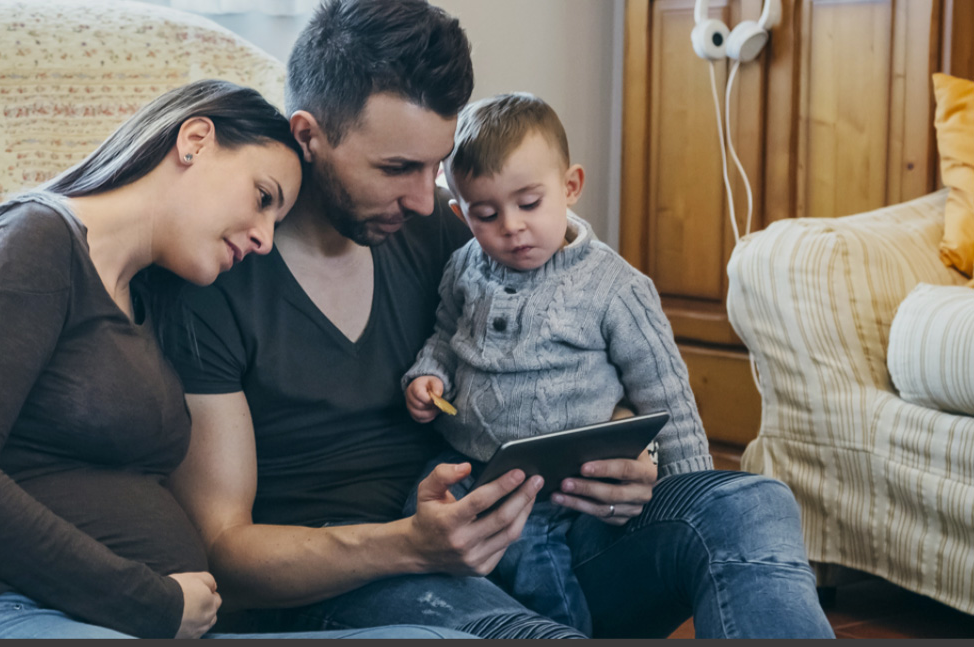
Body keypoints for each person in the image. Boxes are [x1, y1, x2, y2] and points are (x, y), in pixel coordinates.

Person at [165, 0, 836, 639]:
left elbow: (571, 321)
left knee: (749, 502)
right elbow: (225, 552)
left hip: (521, 530)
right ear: (309, 136)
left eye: (433, 168)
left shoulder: (442, 231)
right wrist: (408, 544)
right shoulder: (219, 273)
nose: (424, 199)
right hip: (352, 578)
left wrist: (636, 460)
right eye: (396, 167)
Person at [0, 78, 472, 640]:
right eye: (262, 198)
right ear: (195, 141)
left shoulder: (151, 297)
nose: (264, 238)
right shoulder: (32, 240)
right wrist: (150, 602)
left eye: (276, 219)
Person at [398, 91, 710, 635]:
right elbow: (445, 336)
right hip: (468, 462)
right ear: (460, 212)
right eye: (486, 214)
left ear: (570, 188)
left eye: (529, 204)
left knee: (536, 565)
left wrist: (689, 493)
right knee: (416, 519)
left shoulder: (615, 287)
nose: (512, 227)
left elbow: (666, 394)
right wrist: (428, 376)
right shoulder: (462, 269)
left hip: (555, 476)